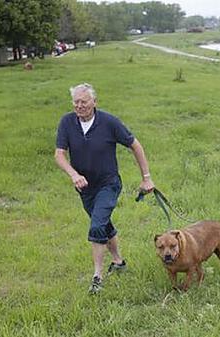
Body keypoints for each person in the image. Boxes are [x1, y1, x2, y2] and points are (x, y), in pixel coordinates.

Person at [54, 83, 155, 294]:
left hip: (108, 184)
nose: (79, 106)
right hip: (85, 188)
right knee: (103, 224)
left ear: (94, 102)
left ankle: (97, 277)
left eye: (84, 101)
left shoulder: (109, 122)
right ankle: (118, 261)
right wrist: (74, 174)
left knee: (96, 226)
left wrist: (146, 178)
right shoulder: (67, 122)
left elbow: (135, 145)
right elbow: (59, 154)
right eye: (76, 102)